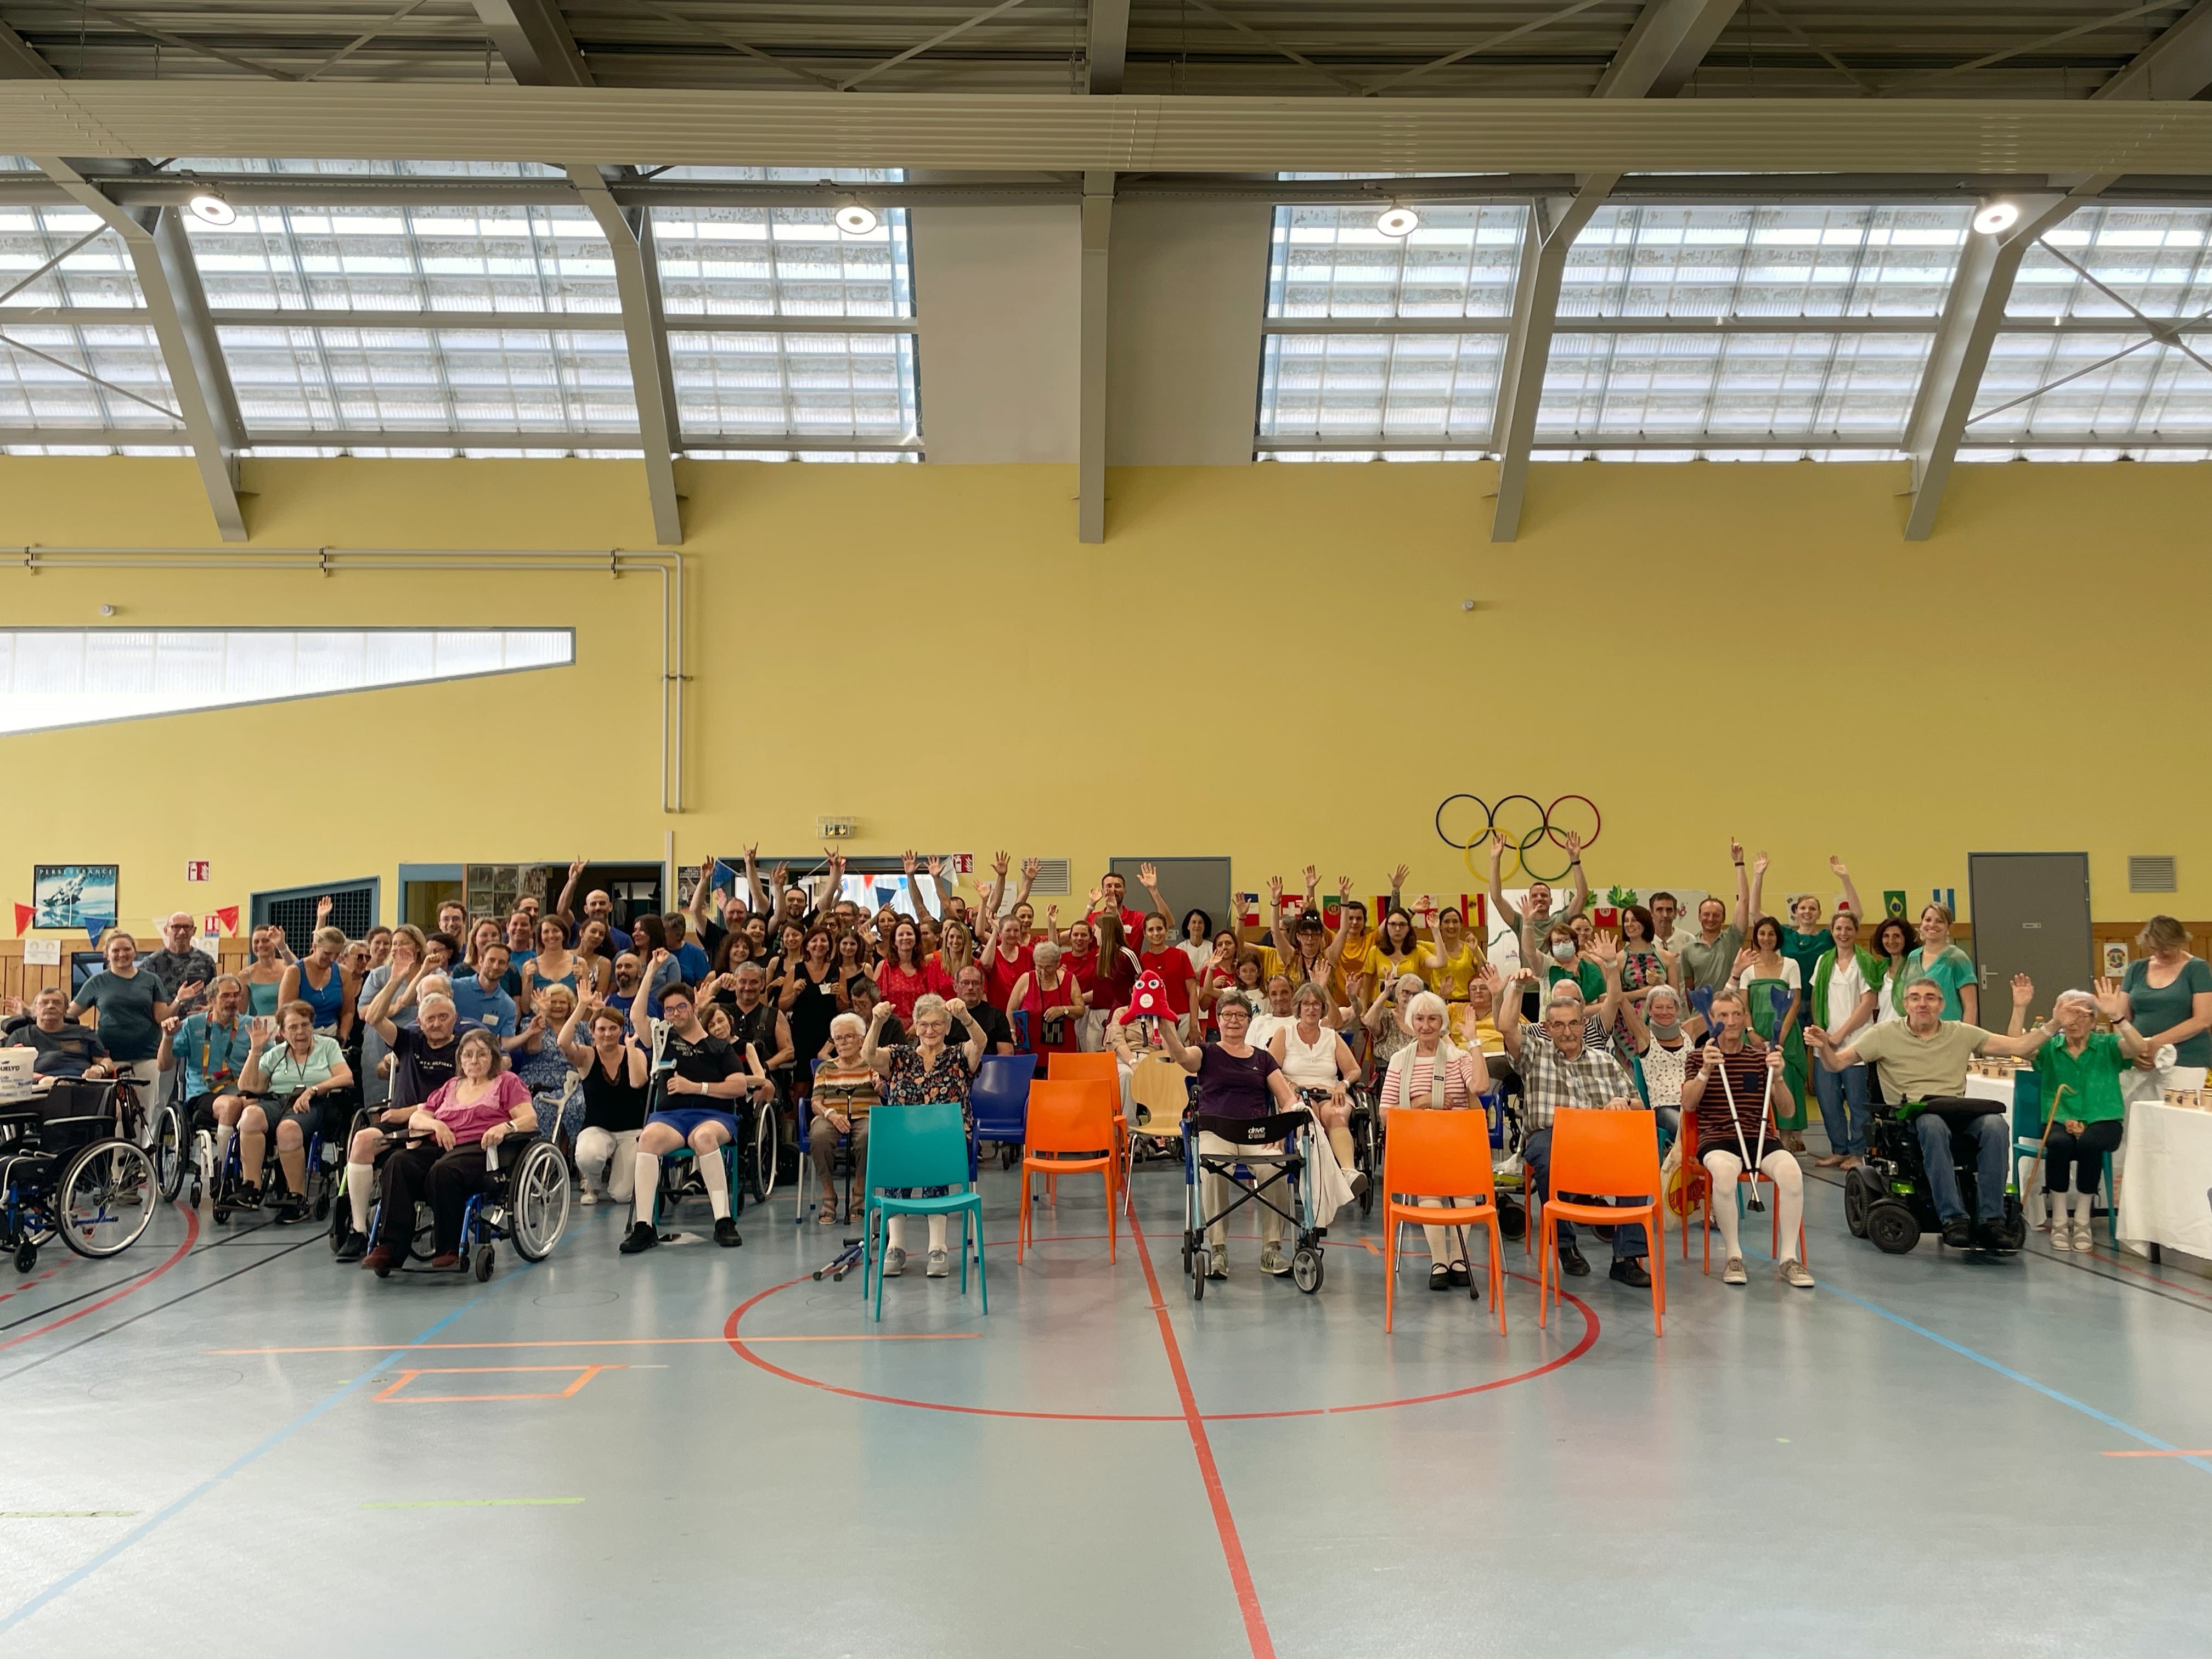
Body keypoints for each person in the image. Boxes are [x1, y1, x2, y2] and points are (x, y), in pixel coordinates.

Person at [1806, 975, 2053, 1249]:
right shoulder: (1883, 1034)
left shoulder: (1961, 1033)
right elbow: (1837, 1064)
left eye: (1930, 998)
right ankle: (1953, 1219)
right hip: (1910, 1119)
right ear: (1906, 1004)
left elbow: (2019, 1048)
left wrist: (2054, 1023)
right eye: (1915, 998)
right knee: (1932, 1124)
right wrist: (1825, 1048)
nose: (1922, 1003)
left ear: (1941, 1005)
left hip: (1957, 1113)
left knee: (1996, 1125)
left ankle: (1992, 1219)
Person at [1487, 961, 1651, 1286]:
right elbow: (1507, 1027)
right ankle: (1565, 1245)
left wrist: (1624, 1104)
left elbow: (1639, 1105)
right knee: (1549, 1154)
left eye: (1574, 1024)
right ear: (1547, 1028)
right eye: (1559, 1025)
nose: (1567, 1032)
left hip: (1602, 1138)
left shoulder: (1605, 1060)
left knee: (1638, 1160)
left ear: (1583, 1024)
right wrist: (1516, 988)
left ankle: (1626, 1257)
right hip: (1552, 1136)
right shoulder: (1535, 1054)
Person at [360, 1029, 537, 1276]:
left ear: (493, 1058)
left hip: (480, 1149)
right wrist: (436, 1124)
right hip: (439, 1144)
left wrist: (506, 1126)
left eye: (481, 1055)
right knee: (398, 1162)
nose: (474, 1061)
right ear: (460, 1060)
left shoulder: (506, 1082)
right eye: (468, 1055)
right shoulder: (451, 1085)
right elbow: (421, 1115)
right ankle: (390, 1246)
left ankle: (448, 1249)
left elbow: (529, 1119)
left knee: (443, 1171)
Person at [1159, 988, 1303, 1279]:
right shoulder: (1206, 1052)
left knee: (1274, 1168)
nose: (1234, 1021)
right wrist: (1165, 1026)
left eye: (1240, 1015)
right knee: (1212, 1171)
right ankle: (1219, 1250)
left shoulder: (1263, 1059)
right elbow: (1181, 1056)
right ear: (1218, 1020)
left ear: (1250, 1021)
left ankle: (1271, 1251)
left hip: (1256, 1132)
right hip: (1216, 1130)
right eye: (1227, 1015)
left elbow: (1287, 1098)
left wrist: (1284, 1122)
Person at [620, 973, 761, 1254]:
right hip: (671, 1118)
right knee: (647, 1138)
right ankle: (644, 1227)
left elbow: (738, 1085)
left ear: (693, 1006)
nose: (675, 1014)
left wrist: (697, 1087)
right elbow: (637, 1017)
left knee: (705, 1138)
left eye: (681, 1007)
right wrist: (651, 968)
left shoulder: (719, 1047)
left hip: (713, 1117)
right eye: (669, 1010)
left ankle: (723, 1221)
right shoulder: (664, 1039)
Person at [1680, 989, 1812, 1288]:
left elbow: (1788, 1109)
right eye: (1723, 1015)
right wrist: (1704, 1071)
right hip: (1718, 1138)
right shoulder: (1697, 1057)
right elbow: (1688, 1104)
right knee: (1725, 1174)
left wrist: (1778, 1077)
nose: (1731, 1021)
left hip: (1759, 1137)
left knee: (1792, 1173)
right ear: (1712, 1020)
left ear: (1744, 1019)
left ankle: (1789, 1259)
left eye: (1737, 1014)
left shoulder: (1761, 1057)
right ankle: (1733, 1256)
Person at [862, 991, 990, 1278]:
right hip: (905, 1141)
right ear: (915, 1026)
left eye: (936, 1025)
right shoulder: (899, 1056)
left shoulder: (959, 1055)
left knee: (935, 1155)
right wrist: (876, 1022)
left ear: (947, 1027)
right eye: (923, 1024)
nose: (929, 1031)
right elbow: (869, 1055)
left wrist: (966, 1018)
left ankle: (938, 1247)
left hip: (947, 1142)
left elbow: (980, 1042)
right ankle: (895, 1246)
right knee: (898, 1157)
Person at [340, 969, 462, 1261]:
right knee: (361, 1141)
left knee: (403, 1162)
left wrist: (414, 1111)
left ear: (454, 1019)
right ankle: (358, 1230)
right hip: (400, 1126)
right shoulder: (409, 1041)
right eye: (430, 1019)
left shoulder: (464, 1050)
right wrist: (398, 978)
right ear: (419, 1021)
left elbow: (462, 1098)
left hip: (440, 1126)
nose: (436, 1024)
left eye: (443, 1017)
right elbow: (373, 1017)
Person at [2019, 979, 2152, 1249]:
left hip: (2103, 1120)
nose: (2075, 1020)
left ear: (2094, 1021)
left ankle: (2082, 1219)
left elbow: (2140, 1049)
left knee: (2091, 1143)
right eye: (2068, 1013)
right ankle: (2058, 1219)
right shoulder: (2050, 1049)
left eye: (2083, 1014)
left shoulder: (2108, 1045)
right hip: (2060, 1119)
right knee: (2059, 1143)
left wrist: (2116, 1016)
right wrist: (2020, 1007)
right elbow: (2018, 1047)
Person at [1378, 990, 1492, 1292]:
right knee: (1428, 1185)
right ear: (1411, 1022)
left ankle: (1459, 1259)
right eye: (1419, 1019)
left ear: (1442, 1023)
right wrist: (1425, 1102)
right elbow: (1386, 1114)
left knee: (1463, 1185)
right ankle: (1439, 1261)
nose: (1426, 1025)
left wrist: (1473, 1041)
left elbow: (1480, 1086)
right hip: (1417, 1147)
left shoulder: (1459, 1058)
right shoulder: (1399, 1061)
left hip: (1456, 1145)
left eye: (1432, 1019)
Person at [238, 1001, 353, 1218]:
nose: (300, 1032)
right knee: (250, 1116)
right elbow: (249, 1086)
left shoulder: (327, 1046)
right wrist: (255, 1051)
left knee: (288, 1129)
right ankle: (252, 1186)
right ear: (282, 1031)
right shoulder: (276, 1053)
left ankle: (297, 1196)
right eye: (293, 1027)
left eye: (305, 1025)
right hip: (277, 1101)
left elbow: (346, 1077)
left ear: (312, 1026)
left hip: (314, 1103)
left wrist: (313, 1090)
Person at [1269, 979, 1364, 1194]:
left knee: (1337, 1115)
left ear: (1323, 1008)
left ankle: (1349, 1173)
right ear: (1298, 1008)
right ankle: (1316, 1175)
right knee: (1308, 1116)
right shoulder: (1285, 1033)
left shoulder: (1332, 1037)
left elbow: (1354, 1070)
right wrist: (1290, 1084)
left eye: (1316, 1004)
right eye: (1306, 1004)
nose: (1311, 1009)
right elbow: (1271, 1070)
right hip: (1297, 1093)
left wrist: (1343, 1084)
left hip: (1331, 1092)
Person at [156, 973, 253, 1176]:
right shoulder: (193, 1025)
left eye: (236, 996)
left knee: (255, 1107)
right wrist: (168, 1038)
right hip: (203, 1093)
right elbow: (164, 1065)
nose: (233, 1001)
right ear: (211, 1000)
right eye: (226, 996)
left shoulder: (250, 1026)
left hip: (242, 1088)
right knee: (232, 1104)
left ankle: (251, 1171)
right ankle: (225, 1171)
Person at [1807, 908, 1882, 1167]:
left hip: (1857, 1043)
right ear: (1832, 931)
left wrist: (1839, 1035)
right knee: (1828, 1102)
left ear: (1856, 932)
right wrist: (1821, 1033)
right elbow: (1817, 999)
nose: (1843, 933)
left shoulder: (1866, 962)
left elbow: (1868, 1002)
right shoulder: (1824, 961)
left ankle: (1858, 1153)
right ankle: (1839, 1149)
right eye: (1838, 929)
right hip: (1825, 1044)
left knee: (1858, 1103)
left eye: (1848, 929)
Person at [69, 931, 170, 1122]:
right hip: (111, 1058)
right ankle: (116, 1152)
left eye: (127, 949)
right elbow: (69, 1014)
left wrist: (179, 1000)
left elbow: (160, 1017)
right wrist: (32, 1013)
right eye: (116, 950)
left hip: (148, 1055)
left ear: (135, 951)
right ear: (107, 954)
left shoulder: (151, 980)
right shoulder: (97, 982)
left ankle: (143, 1152)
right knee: (115, 1113)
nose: (121, 954)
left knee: (146, 1112)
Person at [561, 997, 647, 1207]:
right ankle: (592, 1183)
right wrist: (582, 1006)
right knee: (589, 1155)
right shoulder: (587, 1056)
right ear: (593, 1032)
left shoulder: (636, 1053)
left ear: (621, 1029)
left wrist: (630, 1048)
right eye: (601, 1029)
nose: (607, 1034)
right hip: (597, 1128)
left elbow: (638, 1082)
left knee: (623, 1196)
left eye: (613, 1028)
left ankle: (618, 1174)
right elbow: (563, 1043)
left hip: (632, 1132)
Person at [1731, 915, 1807, 1152]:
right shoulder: (1748, 970)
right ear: (1756, 937)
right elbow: (1743, 1006)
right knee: (1755, 1088)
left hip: (1786, 1036)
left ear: (1778, 938)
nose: (1766, 938)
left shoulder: (1791, 965)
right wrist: (1751, 1032)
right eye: (1762, 934)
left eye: (1771, 934)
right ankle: (1758, 1143)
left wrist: (1781, 1036)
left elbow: (1795, 1002)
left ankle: (1784, 1145)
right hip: (1755, 1034)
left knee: (1787, 1084)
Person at [809, 1011, 878, 1223]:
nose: (843, 1042)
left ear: (861, 1039)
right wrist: (830, 1114)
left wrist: (882, 1084)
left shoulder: (872, 1064)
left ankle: (860, 1190)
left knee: (868, 1135)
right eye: (838, 1038)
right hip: (832, 1116)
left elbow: (883, 1090)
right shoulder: (826, 1068)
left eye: (849, 1037)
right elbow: (815, 1102)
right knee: (819, 1135)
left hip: (866, 1116)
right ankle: (829, 1194)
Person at [2118, 916, 2212, 1072]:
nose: (2160, 954)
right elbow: (2121, 1018)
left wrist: (2155, 1043)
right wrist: (2131, 1051)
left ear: (2180, 942)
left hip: (2186, 1061)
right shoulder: (2137, 968)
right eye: (2154, 949)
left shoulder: (2197, 969)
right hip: (2141, 1061)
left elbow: (2203, 1020)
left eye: (2165, 949)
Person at [1487, 833, 1588, 966]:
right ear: (1529, 900)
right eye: (1534, 896)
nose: (1539, 898)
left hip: (1556, 984)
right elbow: (1496, 898)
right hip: (1529, 985)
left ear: (1551, 901)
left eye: (1544, 895)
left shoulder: (1560, 921)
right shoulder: (1521, 922)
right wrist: (1496, 860)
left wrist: (1575, 860)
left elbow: (1582, 895)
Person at [1617, 982, 1699, 1141]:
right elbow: (1620, 999)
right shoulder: (1645, 1037)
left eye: (1669, 1007)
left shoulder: (1689, 1031)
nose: (1665, 1012)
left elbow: (1719, 1011)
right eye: (1659, 1007)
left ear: (1677, 1010)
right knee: (1686, 1131)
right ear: (1649, 1010)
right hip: (1665, 1107)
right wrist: (1611, 964)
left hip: (1694, 1102)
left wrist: (1735, 976)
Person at [1676, 843, 1759, 1000]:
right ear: (1699, 917)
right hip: (1701, 1014)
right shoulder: (1688, 949)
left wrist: (1739, 863)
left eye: (1716, 915)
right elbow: (1689, 989)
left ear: (1724, 918)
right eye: (1706, 915)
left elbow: (1743, 901)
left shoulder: (1732, 939)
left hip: (1731, 1011)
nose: (1711, 919)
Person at [356, 924, 425, 1109]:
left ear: (417, 947)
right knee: (379, 1103)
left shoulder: (432, 972)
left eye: (403, 943)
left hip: (418, 1045)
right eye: (394, 944)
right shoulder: (379, 975)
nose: (396, 948)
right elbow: (363, 1012)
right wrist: (392, 1008)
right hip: (379, 1044)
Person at [510, 981, 579, 1143]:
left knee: (578, 1105)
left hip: (571, 1082)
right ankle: (540, 1153)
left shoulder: (580, 1027)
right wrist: (543, 1012)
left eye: (562, 1002)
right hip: (538, 1080)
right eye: (552, 1002)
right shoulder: (531, 1023)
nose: (557, 1006)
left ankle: (569, 1157)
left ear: (570, 1006)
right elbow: (532, 1049)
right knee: (540, 1106)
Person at [3, 986, 111, 1081]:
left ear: (66, 1010)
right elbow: (7, 1069)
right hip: (38, 1088)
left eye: (57, 1003)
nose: (50, 1006)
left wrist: (100, 1069)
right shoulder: (20, 1035)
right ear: (35, 1010)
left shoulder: (84, 1033)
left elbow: (106, 1061)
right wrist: (42, 1079)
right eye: (44, 1003)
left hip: (82, 1085)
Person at [1007, 940, 1086, 1062]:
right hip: (1031, 1048)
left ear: (1058, 963)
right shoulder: (1026, 979)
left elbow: (1080, 1010)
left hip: (1062, 1049)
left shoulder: (1069, 979)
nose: (1043, 973)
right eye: (1040, 967)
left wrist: (1063, 1010)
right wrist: (1012, 1031)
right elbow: (1011, 1010)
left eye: (1048, 967)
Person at [1901, 903, 1978, 1024]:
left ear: (1948, 929)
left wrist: (1966, 1039)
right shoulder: (1913, 957)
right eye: (1928, 920)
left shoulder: (1957, 958)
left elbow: (1970, 1006)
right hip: (1917, 1031)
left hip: (1949, 1033)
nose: (1932, 925)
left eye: (1939, 921)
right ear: (1921, 925)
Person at [779, 926, 843, 1069]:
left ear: (829, 946)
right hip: (802, 1033)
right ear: (807, 946)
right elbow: (782, 1006)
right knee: (802, 1084)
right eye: (814, 941)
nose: (819, 945)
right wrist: (794, 994)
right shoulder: (796, 970)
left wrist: (838, 996)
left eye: (823, 941)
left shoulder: (837, 971)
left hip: (829, 1036)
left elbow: (844, 1009)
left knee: (828, 1078)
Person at [144, 911, 217, 1019]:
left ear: (194, 931)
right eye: (176, 927)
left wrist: (211, 1009)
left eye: (187, 927)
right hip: (164, 1027)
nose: (182, 932)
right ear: (166, 931)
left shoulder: (206, 961)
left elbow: (215, 995)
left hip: (197, 1026)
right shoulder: (152, 963)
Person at [875, 918, 947, 1025]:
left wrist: (916, 1025)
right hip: (890, 1027)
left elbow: (932, 1001)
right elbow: (875, 1001)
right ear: (894, 941)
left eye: (909, 934)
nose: (905, 938)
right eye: (901, 935)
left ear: (916, 939)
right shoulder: (884, 967)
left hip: (920, 1028)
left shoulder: (925, 967)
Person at [555, 857, 631, 953]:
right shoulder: (578, 931)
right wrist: (573, 881)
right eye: (593, 904)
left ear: (610, 907)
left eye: (602, 903)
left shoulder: (624, 939)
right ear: (586, 909)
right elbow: (562, 912)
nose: (598, 908)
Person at [453, 943, 519, 1041]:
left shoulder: (508, 1005)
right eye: (491, 961)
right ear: (481, 961)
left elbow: (506, 1044)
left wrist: (530, 1031)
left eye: (501, 962)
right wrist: (426, 970)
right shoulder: (455, 987)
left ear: (506, 967)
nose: (496, 966)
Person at [952, 964, 1017, 1055]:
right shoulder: (946, 1015)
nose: (970, 987)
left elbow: (1006, 1053)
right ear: (955, 987)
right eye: (965, 983)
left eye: (975, 983)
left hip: (988, 1067)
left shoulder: (996, 1016)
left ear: (982, 987)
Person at [1869, 914, 1916, 1032]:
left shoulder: (1915, 968)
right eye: (1886, 936)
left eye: (1897, 936)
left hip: (1910, 1033)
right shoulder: (1879, 971)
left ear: (1906, 939)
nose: (1891, 941)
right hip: (1884, 1034)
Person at [239, 926, 289, 1018]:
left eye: (266, 941)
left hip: (289, 1024)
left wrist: (283, 946)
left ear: (275, 943)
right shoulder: (245, 975)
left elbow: (303, 974)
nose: (261, 945)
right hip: (264, 1027)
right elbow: (240, 1012)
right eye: (256, 942)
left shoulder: (288, 967)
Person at [1178, 909, 1215, 980]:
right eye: (1194, 922)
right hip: (1187, 988)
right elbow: (1178, 972)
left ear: (1205, 926)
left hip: (1209, 987)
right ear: (1188, 926)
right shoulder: (1180, 949)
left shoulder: (1212, 947)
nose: (1197, 925)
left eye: (1200, 923)